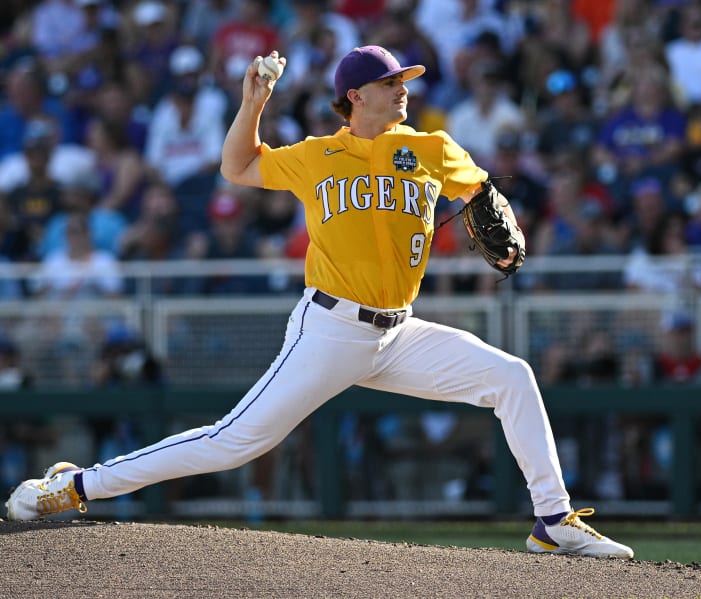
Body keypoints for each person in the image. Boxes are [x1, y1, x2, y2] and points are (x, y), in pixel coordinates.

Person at [4, 45, 633, 559]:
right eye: (389, 82)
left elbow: (483, 196)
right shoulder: (317, 155)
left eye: (404, 80)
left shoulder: (433, 149)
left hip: (399, 333)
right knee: (235, 440)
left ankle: (553, 520)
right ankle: (73, 487)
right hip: (329, 329)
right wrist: (251, 104)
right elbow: (238, 168)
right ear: (356, 96)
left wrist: (495, 212)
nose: (402, 89)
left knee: (511, 377)